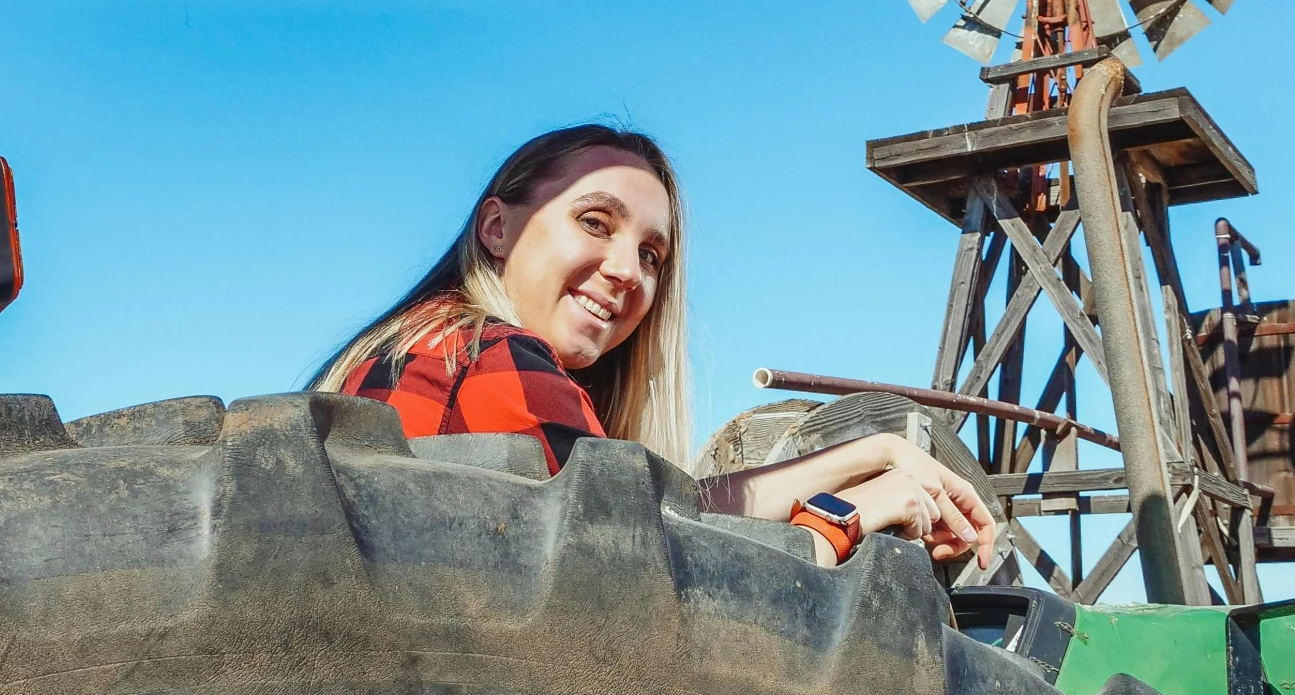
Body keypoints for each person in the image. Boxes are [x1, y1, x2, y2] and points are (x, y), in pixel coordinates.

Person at [314, 125, 994, 572]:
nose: (626, 272)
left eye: (650, 255)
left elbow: (661, 513)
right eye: (593, 223)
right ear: (497, 227)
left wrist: (872, 456)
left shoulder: (421, 347)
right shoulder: (483, 357)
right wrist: (841, 523)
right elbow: (637, 588)